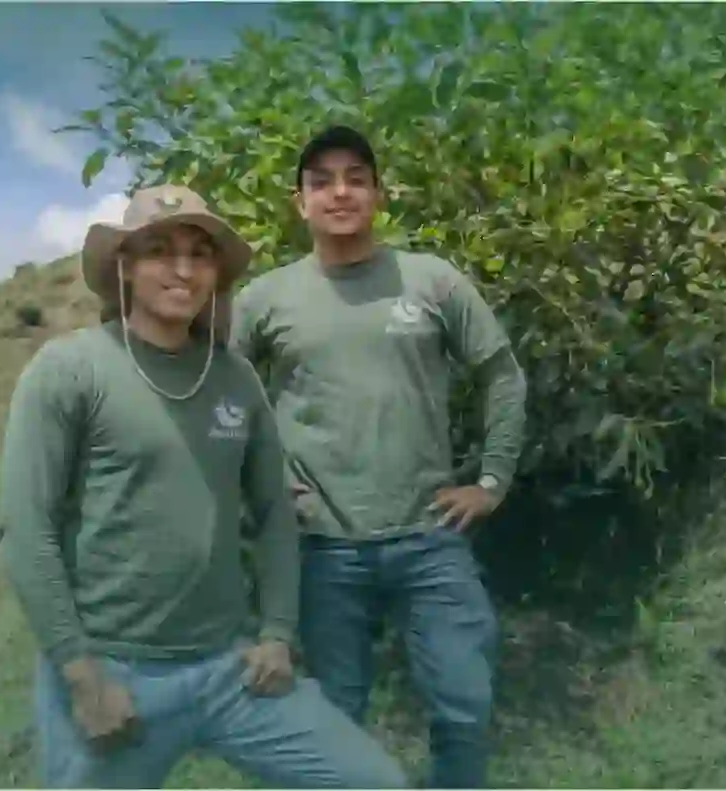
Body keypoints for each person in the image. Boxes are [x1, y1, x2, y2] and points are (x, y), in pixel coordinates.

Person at [0, 185, 408, 790]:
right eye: (161, 250)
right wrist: (81, 677)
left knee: (374, 782)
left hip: (230, 670)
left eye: (200, 253)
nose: (183, 269)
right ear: (126, 266)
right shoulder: (70, 371)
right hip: (116, 676)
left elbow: (273, 511)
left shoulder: (234, 377)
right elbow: (24, 531)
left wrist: (276, 633)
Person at [229, 126, 528, 788]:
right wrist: (267, 489)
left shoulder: (431, 279)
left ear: (378, 194)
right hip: (321, 547)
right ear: (299, 201)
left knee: (465, 698)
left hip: (431, 535)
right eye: (321, 180)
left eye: (355, 176)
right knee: (336, 719)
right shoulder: (263, 300)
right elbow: (220, 405)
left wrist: (490, 479)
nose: (340, 191)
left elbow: (501, 374)